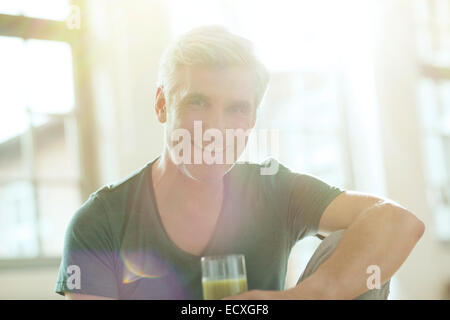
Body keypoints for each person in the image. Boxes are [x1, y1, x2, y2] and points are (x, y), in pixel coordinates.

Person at [55, 25, 425, 300]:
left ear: (250, 122)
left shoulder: (274, 188)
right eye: (197, 102)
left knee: (355, 244)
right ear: (161, 105)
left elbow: (399, 222)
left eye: (235, 109)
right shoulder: (100, 221)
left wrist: (304, 296)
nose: (215, 129)